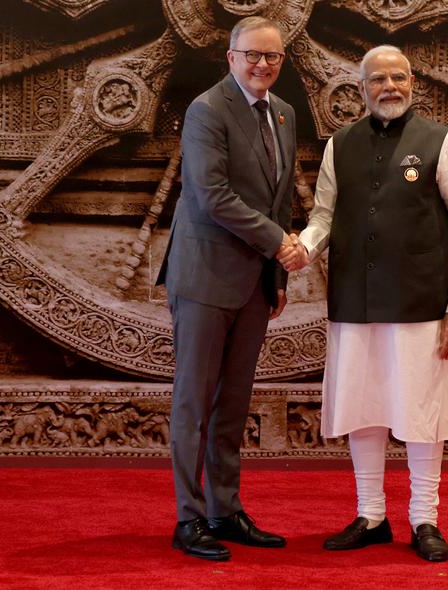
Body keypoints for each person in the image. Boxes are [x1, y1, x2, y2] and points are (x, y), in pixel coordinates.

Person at [280, 45, 448, 562]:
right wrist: (303, 246)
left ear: (412, 82)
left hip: (423, 304)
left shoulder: (441, 142)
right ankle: (371, 515)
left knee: (422, 413)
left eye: (398, 77)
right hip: (354, 301)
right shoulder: (339, 145)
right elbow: (324, 215)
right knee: (362, 409)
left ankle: (424, 519)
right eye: (378, 80)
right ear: (362, 87)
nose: (389, 87)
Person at [156, 16, 297, 562]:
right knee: (195, 402)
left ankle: (225, 509)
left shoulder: (282, 113)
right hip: (205, 277)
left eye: (272, 57)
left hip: (254, 284)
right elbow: (211, 195)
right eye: (252, 55)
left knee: (233, 404)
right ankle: (188, 519)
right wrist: (280, 244)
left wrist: (276, 273)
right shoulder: (206, 109)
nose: (262, 65)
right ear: (231, 57)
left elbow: (279, 201)